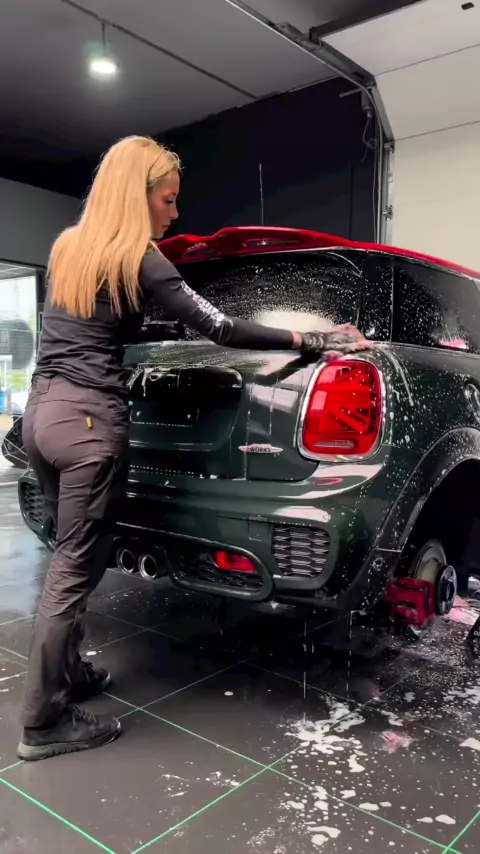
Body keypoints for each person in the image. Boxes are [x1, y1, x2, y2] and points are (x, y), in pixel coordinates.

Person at [18, 135, 371, 761]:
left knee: (79, 557)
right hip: (90, 427)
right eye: (167, 199)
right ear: (138, 196)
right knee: (74, 569)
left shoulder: (70, 248)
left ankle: (68, 674)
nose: (174, 212)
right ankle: (43, 722)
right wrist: (308, 339)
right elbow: (221, 328)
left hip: (42, 416)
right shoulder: (141, 257)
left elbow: (96, 326)